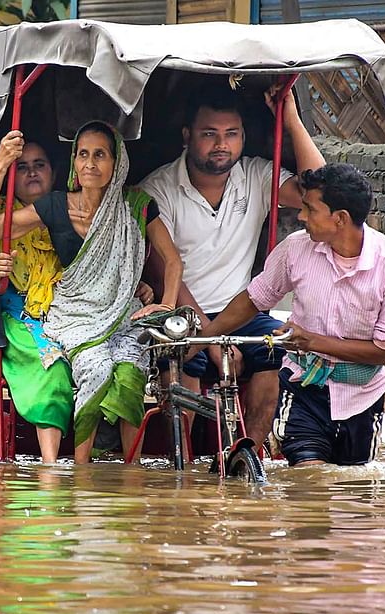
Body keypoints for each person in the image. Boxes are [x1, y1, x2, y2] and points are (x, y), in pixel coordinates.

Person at [0, 122, 184, 463]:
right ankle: (83, 468)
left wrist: (166, 306)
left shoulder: (137, 204)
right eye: (83, 155)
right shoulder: (56, 206)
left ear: (117, 163)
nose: (91, 164)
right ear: (73, 162)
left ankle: (131, 470)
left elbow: (173, 261)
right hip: (73, 317)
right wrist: (0, 167)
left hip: (123, 314)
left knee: (130, 372)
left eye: (100, 155)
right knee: (97, 369)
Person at [139, 83, 325, 447]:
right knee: (181, 363)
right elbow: (163, 273)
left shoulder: (256, 175)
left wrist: (293, 123)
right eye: (209, 134)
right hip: (180, 310)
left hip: (242, 310)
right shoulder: (157, 189)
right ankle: (184, 470)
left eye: (231, 134)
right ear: (187, 136)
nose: (221, 144)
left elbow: (322, 192)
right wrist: (211, 340)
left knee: (275, 351)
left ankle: (250, 453)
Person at [201, 163, 385, 466]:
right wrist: (201, 339)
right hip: (302, 386)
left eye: (309, 208)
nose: (301, 217)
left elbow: (384, 351)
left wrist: (312, 341)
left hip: (363, 395)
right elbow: (254, 299)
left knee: (354, 497)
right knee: (308, 477)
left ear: (340, 218)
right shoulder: (295, 248)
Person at [0, 137, 71, 464]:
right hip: (19, 319)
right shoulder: (2, 221)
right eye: (22, 167)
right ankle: (51, 466)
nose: (32, 173)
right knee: (53, 364)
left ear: (53, 172)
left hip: (73, 310)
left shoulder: (69, 211)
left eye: (40, 165)